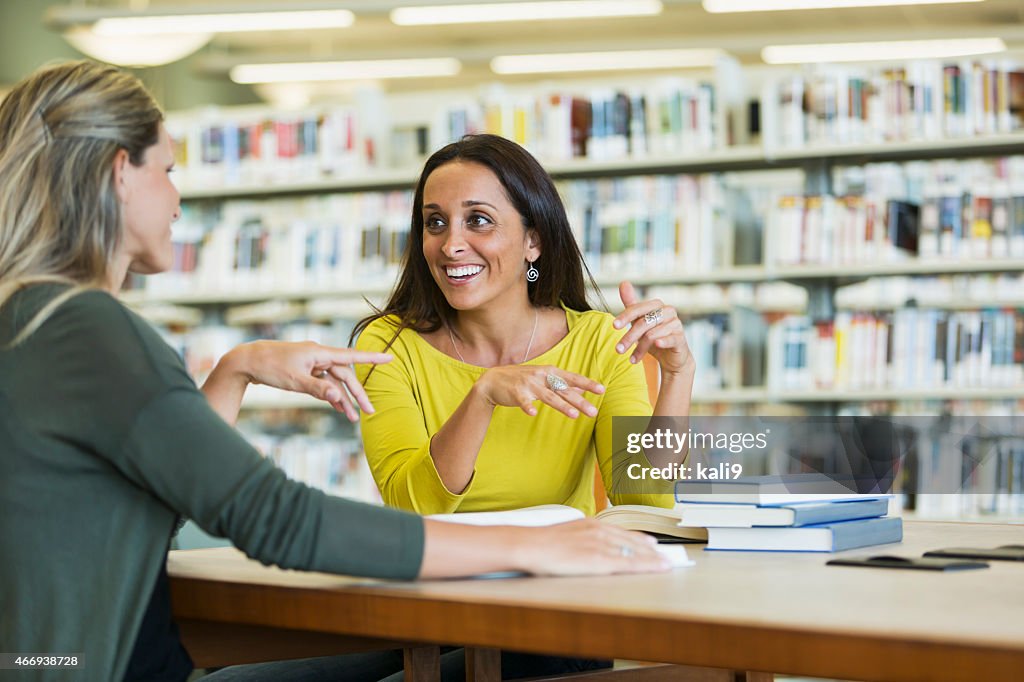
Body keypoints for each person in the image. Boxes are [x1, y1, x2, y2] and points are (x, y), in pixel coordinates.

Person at [0, 61, 669, 682]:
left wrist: (237, 368)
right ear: (122, 173)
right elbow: (277, 518)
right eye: (170, 171)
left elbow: (151, 503)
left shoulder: (34, 321)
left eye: (479, 221)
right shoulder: (88, 331)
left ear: (534, 239)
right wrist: (533, 548)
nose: (178, 199)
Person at [349, 134, 696, 679]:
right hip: (428, 608)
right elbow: (413, 504)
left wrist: (677, 376)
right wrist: (482, 396)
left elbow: (642, 501)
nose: (450, 244)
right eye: (434, 223)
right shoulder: (386, 344)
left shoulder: (599, 342)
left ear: (533, 241)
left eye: (478, 220)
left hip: (553, 616)